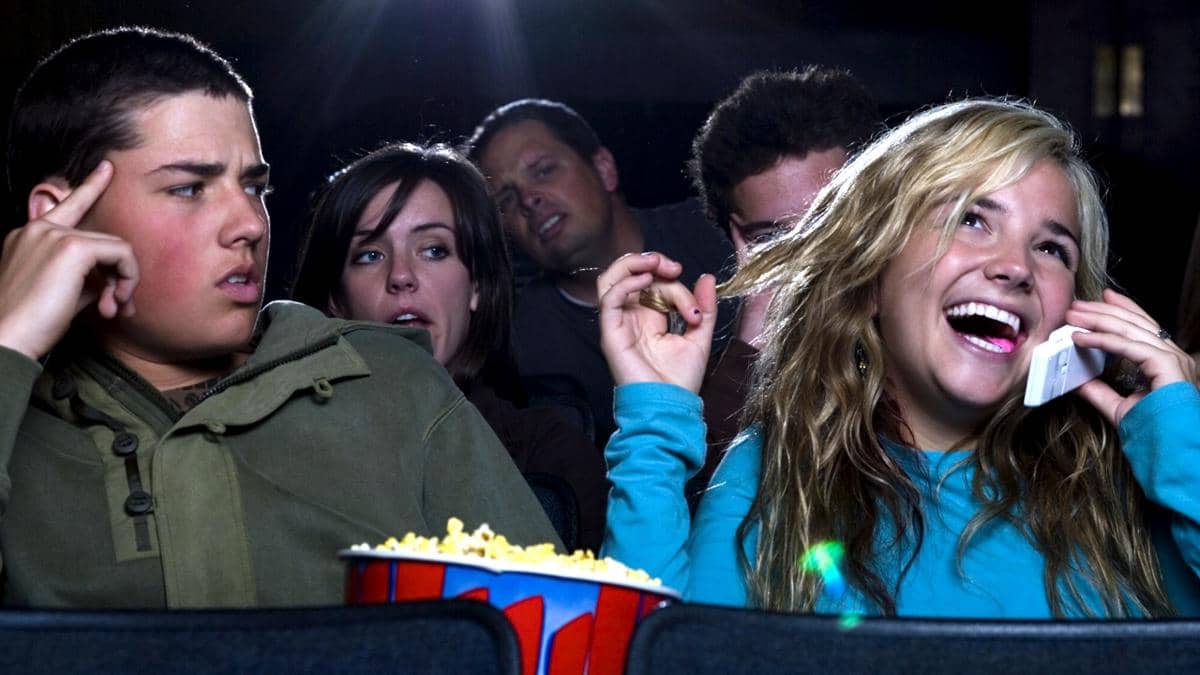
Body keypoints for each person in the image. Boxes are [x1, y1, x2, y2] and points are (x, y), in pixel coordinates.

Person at [0, 27, 558, 608]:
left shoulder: (394, 383)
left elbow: (548, 628)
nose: (250, 224)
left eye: (253, 187)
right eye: (190, 188)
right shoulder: (20, 422)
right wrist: (8, 342)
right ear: (61, 220)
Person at [598, 99, 1200, 617]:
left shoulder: (1126, 479)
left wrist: (1181, 437)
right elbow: (656, 654)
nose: (1016, 267)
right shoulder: (775, 470)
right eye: (970, 219)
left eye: (1051, 248)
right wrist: (655, 424)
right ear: (872, 273)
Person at [291, 141, 608, 552]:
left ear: (477, 286)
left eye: (434, 250)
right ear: (336, 299)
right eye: (369, 255)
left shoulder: (550, 453)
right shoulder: (291, 449)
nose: (401, 276)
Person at [464, 98, 735, 447]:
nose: (529, 199)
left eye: (544, 170)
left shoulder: (718, 231)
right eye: (507, 200)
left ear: (604, 169)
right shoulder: (518, 341)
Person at [687, 67, 881, 500]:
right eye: (775, 237)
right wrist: (754, 337)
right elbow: (715, 507)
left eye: (827, 222)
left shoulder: (937, 329)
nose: (810, 253)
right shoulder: (720, 379)